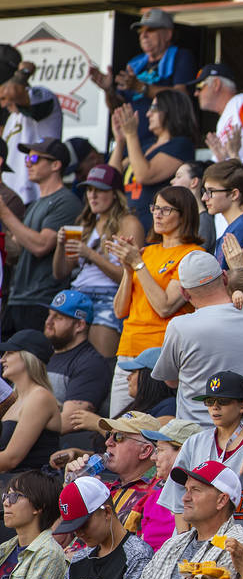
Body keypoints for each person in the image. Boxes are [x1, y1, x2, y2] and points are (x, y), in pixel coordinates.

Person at [72, 459, 243, 579]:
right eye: (186, 490)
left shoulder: (235, 542)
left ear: (221, 500)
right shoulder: (174, 544)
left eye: (195, 490)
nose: (185, 498)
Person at [152, 251, 243, 435]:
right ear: (225, 277)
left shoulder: (180, 326)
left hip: (198, 443)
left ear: (184, 293)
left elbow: (171, 381)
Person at [51, 164, 143, 357]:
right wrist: (60, 246)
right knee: (61, 354)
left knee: (101, 361)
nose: (92, 196)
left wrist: (91, 255)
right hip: (78, 292)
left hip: (109, 296)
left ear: (115, 194)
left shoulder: (129, 223)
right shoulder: (86, 223)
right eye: (89, 190)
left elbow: (132, 276)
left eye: (99, 190)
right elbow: (60, 273)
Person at [0, 137, 83, 334]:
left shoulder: (66, 202)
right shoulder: (36, 204)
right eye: (27, 159)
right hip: (18, 297)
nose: (28, 163)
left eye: (35, 158)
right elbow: (18, 251)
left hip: (42, 300)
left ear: (56, 165)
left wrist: (4, 212)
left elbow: (40, 246)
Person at [157, 371, 243, 525]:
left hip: (237, 538)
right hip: (193, 537)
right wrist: (185, 540)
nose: (215, 407)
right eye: (209, 401)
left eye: (223, 401)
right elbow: (177, 501)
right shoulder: (194, 442)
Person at [88, 8, 196, 147]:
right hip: (133, 141)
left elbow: (181, 95)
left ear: (168, 34)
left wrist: (141, 87)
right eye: (141, 31)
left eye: (150, 30)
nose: (143, 35)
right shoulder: (135, 63)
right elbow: (119, 108)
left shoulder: (181, 56)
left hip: (164, 142)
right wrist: (109, 91)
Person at [54, 475, 153, 579]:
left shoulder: (137, 555)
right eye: (74, 527)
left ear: (106, 512)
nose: (79, 533)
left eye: (83, 524)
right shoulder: (78, 559)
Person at [108, 89, 198, 231]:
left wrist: (131, 134)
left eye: (154, 108)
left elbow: (144, 175)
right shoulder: (146, 147)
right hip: (128, 224)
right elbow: (110, 179)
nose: (148, 114)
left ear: (170, 109)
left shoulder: (181, 145)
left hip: (152, 226)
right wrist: (120, 141)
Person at [43, 291, 110, 447]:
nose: (48, 321)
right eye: (49, 314)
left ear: (80, 325)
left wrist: (22, 422)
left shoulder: (90, 363)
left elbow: (68, 422)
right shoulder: (44, 353)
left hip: (55, 449)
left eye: (58, 317)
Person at [0, 470, 68, 579]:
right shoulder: (6, 548)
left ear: (39, 506)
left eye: (15, 496)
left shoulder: (49, 554)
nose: (6, 503)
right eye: (6, 496)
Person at [0, 58, 63, 203]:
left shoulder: (43, 96)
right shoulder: (11, 118)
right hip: (12, 197)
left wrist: (23, 72)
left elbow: (13, 91)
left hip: (36, 196)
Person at [138, 417, 203, 550]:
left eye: (160, 450)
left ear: (183, 452)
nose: (153, 457)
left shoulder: (205, 500)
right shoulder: (154, 499)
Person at [0, 330, 61, 472]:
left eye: (9, 353)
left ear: (27, 357)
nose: (2, 359)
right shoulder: (16, 399)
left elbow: (11, 459)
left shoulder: (40, 397)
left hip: (31, 487)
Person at [192, 62, 243, 163]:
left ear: (216, 84)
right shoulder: (221, 122)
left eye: (199, 87)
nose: (196, 93)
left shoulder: (241, 102)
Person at [171, 160, 217, 252]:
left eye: (178, 176)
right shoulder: (185, 218)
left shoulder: (204, 220)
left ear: (194, 182)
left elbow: (194, 256)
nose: (172, 181)